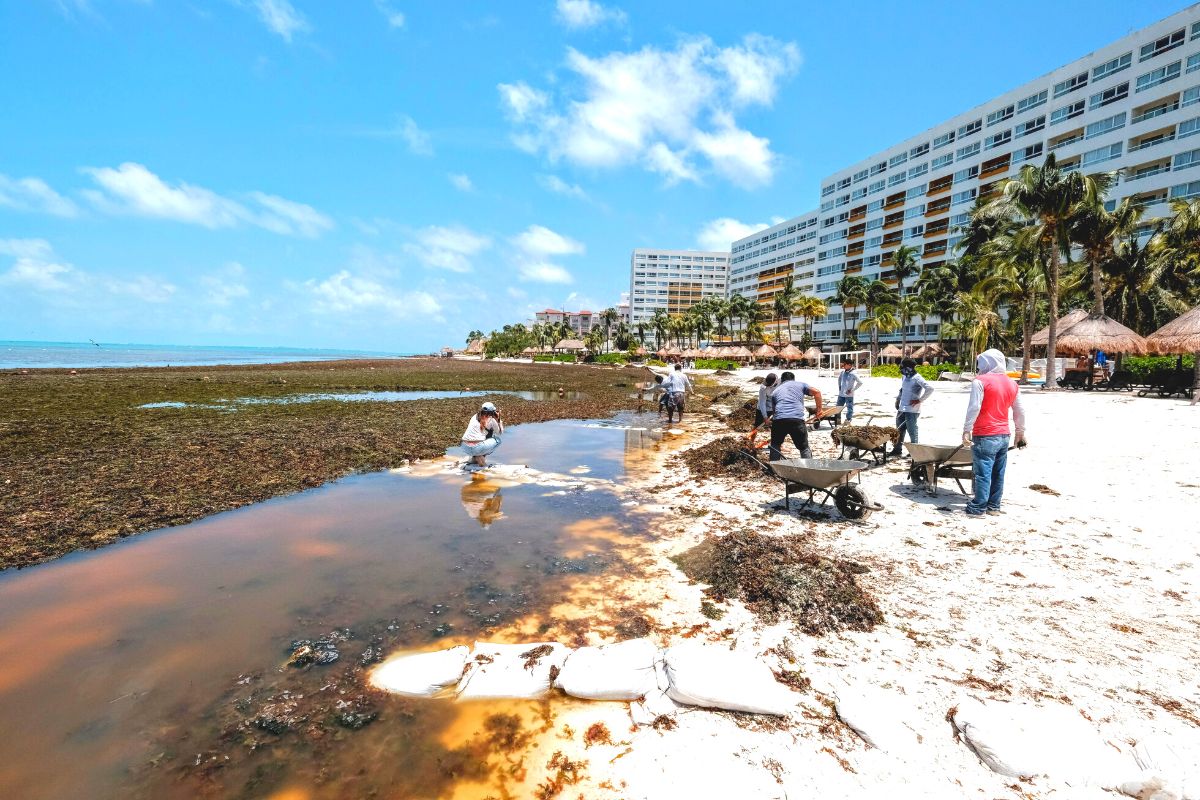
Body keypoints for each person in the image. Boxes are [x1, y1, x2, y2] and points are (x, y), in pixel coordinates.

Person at [962, 349, 1027, 517]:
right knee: (998, 473)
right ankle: (994, 506)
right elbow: (1019, 410)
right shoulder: (1012, 383)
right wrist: (1020, 433)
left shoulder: (980, 381)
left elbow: (974, 407)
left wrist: (967, 430)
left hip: (985, 434)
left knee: (983, 473)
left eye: (981, 362)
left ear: (987, 362)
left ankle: (978, 507)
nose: (979, 366)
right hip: (1004, 435)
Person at [765, 371, 822, 461]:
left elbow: (774, 412)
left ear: (781, 381)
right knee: (804, 447)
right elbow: (817, 392)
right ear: (793, 379)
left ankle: (773, 466)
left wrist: (771, 422)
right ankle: (808, 466)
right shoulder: (801, 385)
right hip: (796, 420)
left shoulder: (775, 391)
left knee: (775, 445)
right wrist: (819, 411)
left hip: (779, 421)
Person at [892, 358, 934, 457]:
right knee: (899, 430)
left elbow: (930, 388)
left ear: (909, 368)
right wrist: (898, 399)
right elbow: (902, 389)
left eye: (902, 367)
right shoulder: (904, 376)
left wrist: (920, 400)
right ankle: (897, 449)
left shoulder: (917, 378)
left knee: (912, 431)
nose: (901, 369)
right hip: (902, 408)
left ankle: (914, 451)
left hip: (912, 410)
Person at [461, 401, 504, 467]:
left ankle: (475, 458)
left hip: (465, 446)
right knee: (498, 440)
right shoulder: (491, 420)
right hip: (477, 448)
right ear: (492, 412)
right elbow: (500, 432)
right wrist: (498, 420)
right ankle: (480, 457)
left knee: (482, 435)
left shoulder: (474, 416)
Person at [749, 372, 778, 449]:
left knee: (776, 427)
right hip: (762, 408)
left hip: (774, 408)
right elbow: (762, 403)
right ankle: (751, 443)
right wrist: (765, 417)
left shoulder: (780, 384)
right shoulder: (763, 388)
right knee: (757, 426)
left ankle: (775, 445)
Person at [835, 358, 863, 423]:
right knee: (838, 407)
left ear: (849, 365)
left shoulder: (853, 373)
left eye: (845, 364)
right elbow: (839, 379)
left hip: (849, 395)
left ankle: (848, 419)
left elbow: (860, 382)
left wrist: (852, 390)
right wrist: (839, 386)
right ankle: (838, 419)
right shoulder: (842, 372)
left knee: (849, 408)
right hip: (841, 394)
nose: (843, 365)